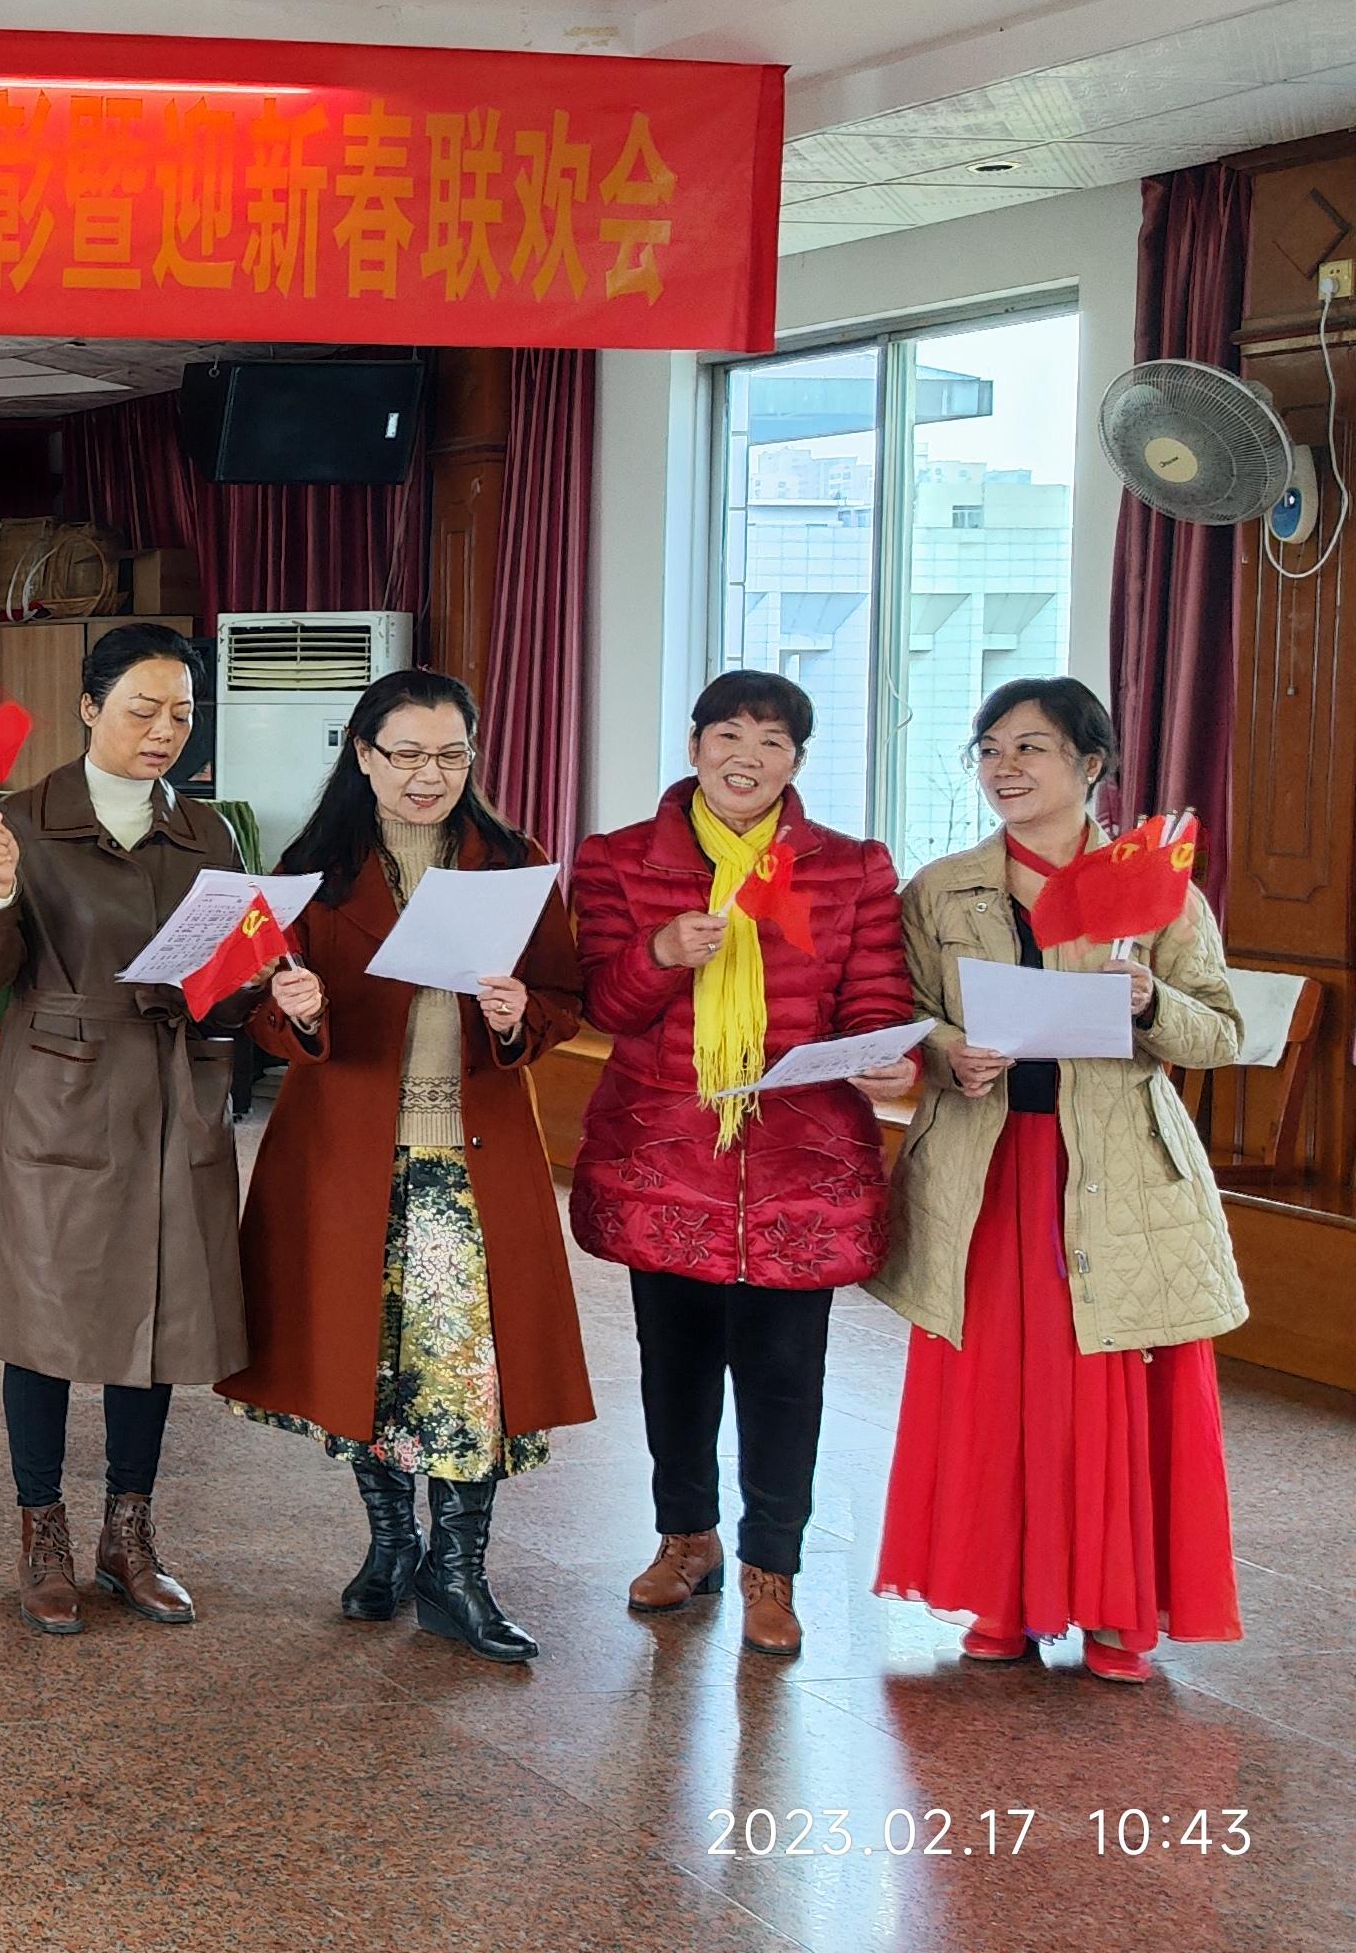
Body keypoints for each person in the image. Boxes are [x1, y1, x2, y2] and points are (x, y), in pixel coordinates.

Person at [873, 677, 1247, 1682]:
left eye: (1029, 748)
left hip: (1113, 1171)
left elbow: (1220, 1033)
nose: (1005, 768)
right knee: (991, 1387)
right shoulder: (940, 890)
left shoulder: (1153, 889)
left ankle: (1116, 1613)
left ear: (1090, 765)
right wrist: (947, 1050)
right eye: (989, 749)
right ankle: (999, 1600)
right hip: (989, 1169)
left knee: (1103, 1383)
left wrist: (1150, 999)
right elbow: (902, 1015)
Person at [223, 669, 593, 1663]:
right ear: (363, 755)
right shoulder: (313, 868)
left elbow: (562, 997)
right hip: (349, 1158)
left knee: (471, 1367)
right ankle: (391, 1545)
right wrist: (294, 1013)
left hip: (471, 1156)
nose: (430, 776)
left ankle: (457, 1575)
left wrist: (519, 1016)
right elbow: (259, 1014)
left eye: (451, 756)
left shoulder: (512, 862)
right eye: (408, 755)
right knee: (372, 1362)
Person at [570, 670, 915, 1660]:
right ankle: (686, 1540)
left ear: (796, 762)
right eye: (729, 735)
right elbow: (603, 1004)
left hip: (800, 1164)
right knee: (673, 1368)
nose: (747, 758)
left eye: (772, 742)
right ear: (694, 748)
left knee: (784, 1378)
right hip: (663, 1156)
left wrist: (888, 1054)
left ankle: (773, 1568)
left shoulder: (849, 868)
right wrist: (659, 954)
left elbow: (875, 997)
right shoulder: (618, 859)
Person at [0, 622, 254, 1636]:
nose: (163, 732)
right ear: (88, 709)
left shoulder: (206, 833)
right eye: (141, 710)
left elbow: (228, 979)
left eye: (182, 716)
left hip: (170, 1092)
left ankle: (130, 1532)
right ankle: (43, 1533)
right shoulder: (22, 822)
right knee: (43, 1318)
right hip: (61, 1095)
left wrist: (259, 978)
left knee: (152, 1318)